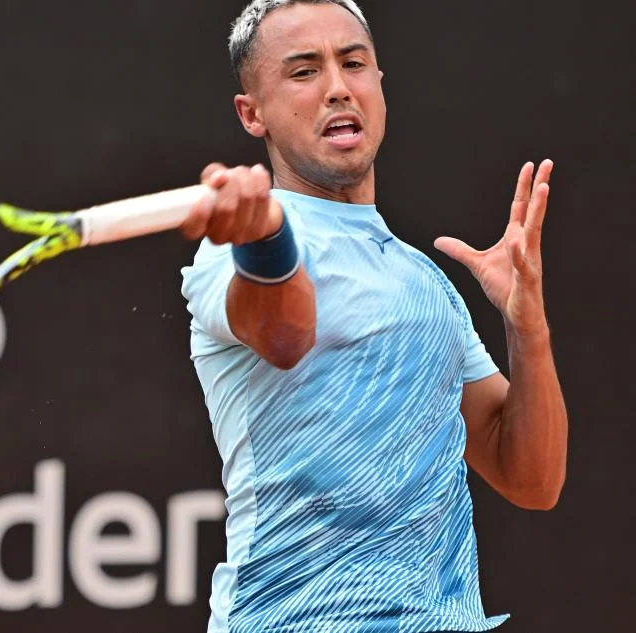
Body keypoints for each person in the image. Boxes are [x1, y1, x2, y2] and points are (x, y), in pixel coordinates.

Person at [178, 1, 568, 632]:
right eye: (304, 72)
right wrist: (265, 244)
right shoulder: (237, 248)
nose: (338, 87)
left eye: (353, 63)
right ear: (253, 114)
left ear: (380, 84)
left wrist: (529, 328)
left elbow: (532, 480)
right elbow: (282, 335)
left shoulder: (424, 282)